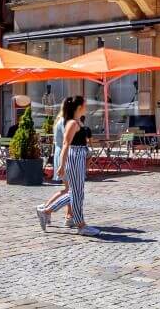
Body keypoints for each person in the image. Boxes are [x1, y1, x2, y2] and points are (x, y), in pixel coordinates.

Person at [37, 96, 99, 236]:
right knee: (76, 194)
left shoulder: (77, 122)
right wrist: (62, 165)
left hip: (79, 156)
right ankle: (80, 225)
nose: (86, 107)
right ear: (79, 107)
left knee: (75, 194)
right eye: (85, 105)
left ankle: (46, 211)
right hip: (74, 157)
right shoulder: (72, 123)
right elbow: (66, 144)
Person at [40, 97, 75, 214]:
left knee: (69, 189)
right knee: (70, 189)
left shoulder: (60, 120)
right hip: (64, 155)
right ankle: (46, 208)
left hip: (60, 153)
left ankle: (68, 215)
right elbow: (67, 141)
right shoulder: (65, 122)